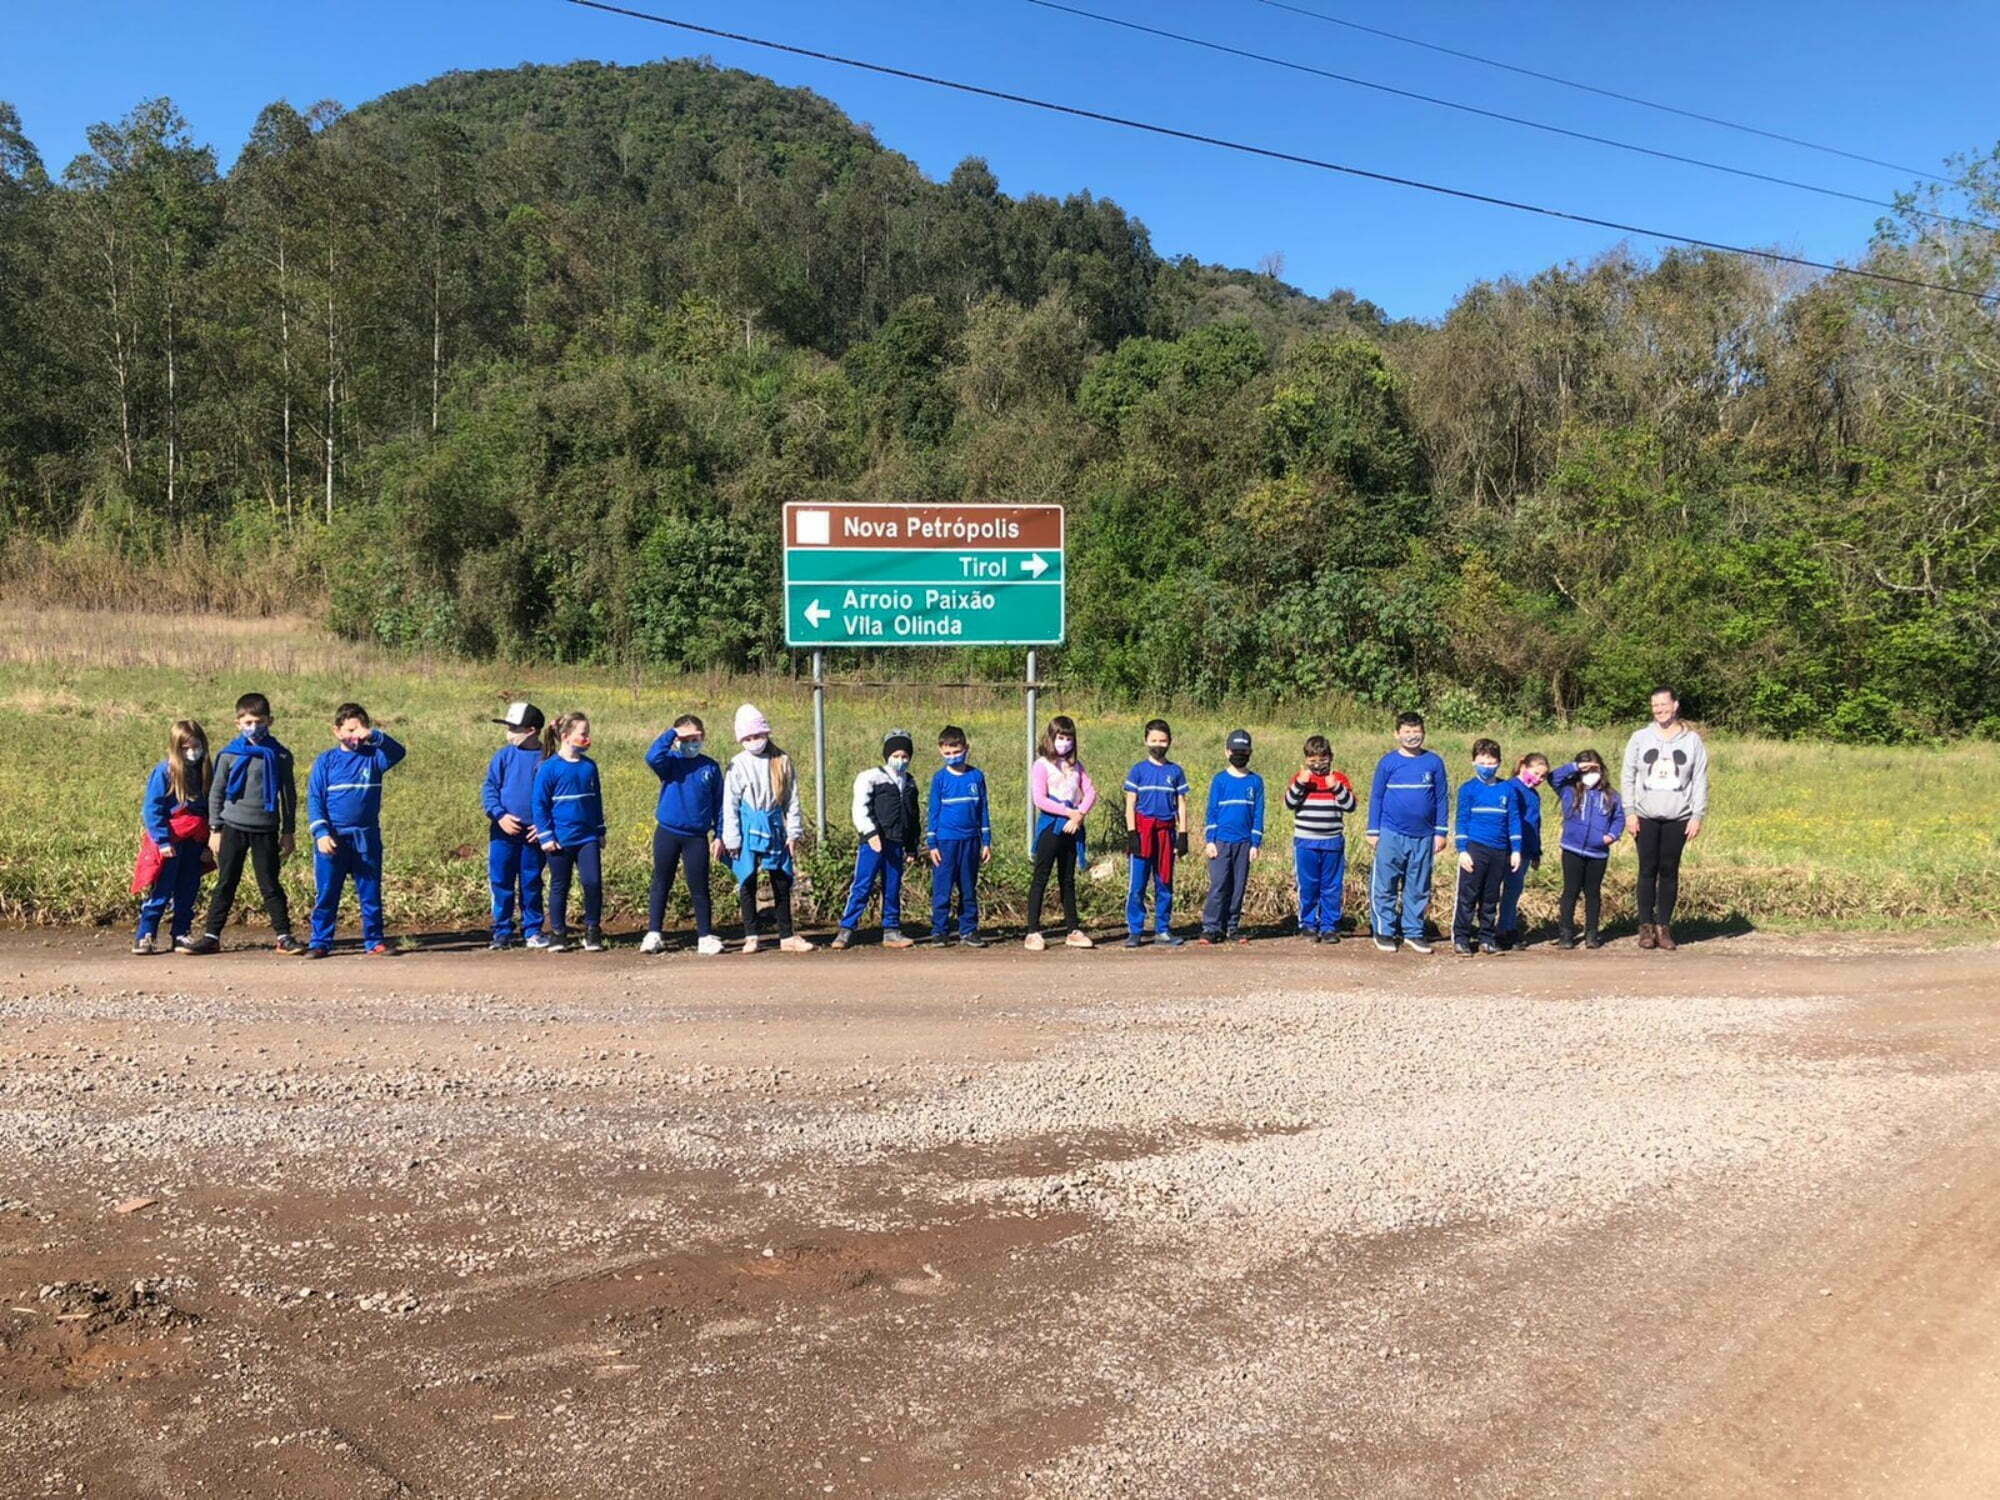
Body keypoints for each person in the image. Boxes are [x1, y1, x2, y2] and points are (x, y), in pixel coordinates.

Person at [187, 692, 300, 954]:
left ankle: (284, 936)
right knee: (226, 881)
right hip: (232, 826)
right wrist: (214, 828)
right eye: (248, 722)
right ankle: (211, 936)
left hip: (266, 827)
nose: (254, 727)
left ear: (270, 721)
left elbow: (288, 796)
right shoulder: (229, 754)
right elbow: (216, 792)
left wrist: (288, 832)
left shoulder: (280, 755)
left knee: (270, 884)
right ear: (237, 723)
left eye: (259, 721)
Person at [303, 702, 408, 958]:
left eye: (360, 729)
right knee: (327, 892)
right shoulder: (326, 761)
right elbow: (315, 799)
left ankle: (374, 940)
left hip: (366, 837)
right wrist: (321, 832)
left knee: (370, 892)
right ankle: (320, 941)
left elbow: (398, 752)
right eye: (350, 730)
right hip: (333, 838)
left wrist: (374, 736)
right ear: (337, 731)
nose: (355, 736)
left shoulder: (374, 757)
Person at [1622, 686, 1709, 950]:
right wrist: (1629, 811)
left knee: (1669, 870)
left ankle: (1664, 927)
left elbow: (1700, 779)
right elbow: (1628, 775)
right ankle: (1645, 927)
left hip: (1678, 816)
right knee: (1647, 869)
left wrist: (1697, 814)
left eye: (1663, 704)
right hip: (1645, 815)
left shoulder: (1692, 741)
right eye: (1655, 705)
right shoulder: (1639, 738)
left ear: (1675, 705)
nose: (1659, 710)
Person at [722, 704, 812, 953]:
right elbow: (730, 803)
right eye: (748, 737)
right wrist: (732, 838)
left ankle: (787, 935)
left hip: (774, 825)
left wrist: (793, 832)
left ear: (766, 733)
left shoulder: (782, 761)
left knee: (781, 878)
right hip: (747, 825)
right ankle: (751, 935)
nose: (754, 741)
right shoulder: (737, 764)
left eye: (758, 736)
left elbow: (792, 799)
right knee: (747, 879)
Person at [1366, 712, 1450, 954]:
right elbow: (1377, 796)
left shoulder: (1434, 762)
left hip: (1424, 835)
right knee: (1385, 884)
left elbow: (1442, 798)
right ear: (1397, 734)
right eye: (1407, 731)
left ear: (1423, 733)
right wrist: (1373, 830)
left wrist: (1441, 832)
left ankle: (1413, 931)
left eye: (1416, 731)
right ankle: (1384, 930)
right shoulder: (1388, 762)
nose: (1412, 736)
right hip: (1390, 833)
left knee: (1418, 885)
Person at [642, 714, 726, 956]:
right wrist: (673, 734)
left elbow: (719, 804)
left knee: (699, 885)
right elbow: (652, 756)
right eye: (686, 739)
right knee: (661, 881)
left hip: (696, 837)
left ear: (703, 737)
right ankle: (654, 933)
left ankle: (705, 935)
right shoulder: (669, 762)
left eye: (695, 738)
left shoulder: (710, 767)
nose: (691, 744)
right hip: (667, 832)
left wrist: (719, 834)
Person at [131, 719, 215, 955]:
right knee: (161, 889)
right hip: (171, 839)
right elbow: (152, 809)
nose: (192, 752)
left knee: (188, 888)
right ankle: (146, 934)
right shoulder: (164, 772)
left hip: (195, 839)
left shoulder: (205, 771)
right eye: (186, 748)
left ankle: (181, 933)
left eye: (196, 746)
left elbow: (210, 809)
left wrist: (208, 843)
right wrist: (162, 840)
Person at [832, 729, 921, 951]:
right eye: (896, 755)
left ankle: (891, 930)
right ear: (887, 755)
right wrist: (870, 833)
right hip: (873, 843)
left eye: (904, 756)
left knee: (893, 886)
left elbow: (913, 816)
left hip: (896, 843)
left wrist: (911, 846)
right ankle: (846, 929)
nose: (900, 760)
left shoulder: (910, 783)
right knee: (862, 885)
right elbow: (860, 808)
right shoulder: (871, 777)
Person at [534, 710, 607, 953]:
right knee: (559, 885)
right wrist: (546, 836)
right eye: (582, 733)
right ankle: (558, 933)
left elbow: (596, 800)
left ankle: (593, 929)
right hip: (560, 839)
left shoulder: (589, 766)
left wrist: (600, 830)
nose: (587, 738)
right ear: (565, 736)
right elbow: (539, 804)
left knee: (593, 882)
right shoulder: (549, 768)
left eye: (588, 733)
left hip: (587, 837)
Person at [1024, 715, 1097, 951]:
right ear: (1051, 737)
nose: (1064, 743)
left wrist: (1080, 814)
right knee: (1041, 876)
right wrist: (1068, 812)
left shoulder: (1077, 766)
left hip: (1072, 828)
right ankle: (1033, 931)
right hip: (1051, 826)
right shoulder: (1041, 765)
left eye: (1068, 738)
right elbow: (1040, 799)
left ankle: (1073, 929)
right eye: (1060, 737)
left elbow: (1090, 792)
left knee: (1067, 879)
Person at [483, 701, 548, 951]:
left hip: (534, 834)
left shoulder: (547, 759)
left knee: (531, 882)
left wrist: (544, 826)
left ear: (531, 731)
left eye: (513, 728)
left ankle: (533, 929)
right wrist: (499, 816)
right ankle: (501, 931)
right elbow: (490, 789)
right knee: (501, 880)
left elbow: (554, 796)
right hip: (503, 832)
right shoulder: (503, 756)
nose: (508, 733)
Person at [1549, 749, 1626, 949]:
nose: (1590, 773)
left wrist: (1611, 836)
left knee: (1593, 893)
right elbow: (1553, 777)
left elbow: (1619, 818)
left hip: (1598, 852)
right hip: (1572, 849)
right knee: (1570, 891)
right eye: (1586, 769)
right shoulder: (1569, 790)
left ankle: (1592, 933)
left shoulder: (1611, 796)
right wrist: (1576, 767)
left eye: (1594, 769)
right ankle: (1566, 934)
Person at [1284, 734, 1357, 944]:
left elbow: (1350, 806)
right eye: (1313, 759)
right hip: (1305, 840)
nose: (1318, 764)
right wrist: (1300, 783)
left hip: (1332, 841)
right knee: (1308, 885)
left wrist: (1336, 787)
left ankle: (1329, 926)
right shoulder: (1300, 778)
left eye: (1322, 759)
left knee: (1332, 886)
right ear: (1306, 759)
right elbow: (1289, 803)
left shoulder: (1339, 778)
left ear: (1331, 757)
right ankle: (1308, 924)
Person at [1124, 719, 1191, 948]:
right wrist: (1132, 833)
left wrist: (1183, 835)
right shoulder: (1138, 771)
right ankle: (1135, 930)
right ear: (1145, 741)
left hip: (1165, 833)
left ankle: (1162, 929)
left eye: (1162, 741)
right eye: (1153, 740)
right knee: (1137, 885)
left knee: (1164, 882)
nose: (1158, 745)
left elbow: (1181, 804)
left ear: (1169, 742)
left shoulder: (1176, 771)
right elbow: (1130, 803)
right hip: (1143, 832)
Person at [1451, 738, 1521, 956]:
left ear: (1499, 762)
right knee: (1468, 895)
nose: (1487, 766)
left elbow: (1514, 820)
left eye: (1491, 762)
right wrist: (1462, 850)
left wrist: (1516, 849)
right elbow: (1462, 820)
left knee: (1491, 896)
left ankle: (1487, 938)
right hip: (1475, 848)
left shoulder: (1507, 789)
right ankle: (1461, 938)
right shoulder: (1468, 789)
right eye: (1482, 762)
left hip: (1499, 850)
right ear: (1473, 762)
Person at [925, 725, 992, 947]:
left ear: (966, 748)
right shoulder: (939, 779)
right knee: (942, 888)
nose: (953, 756)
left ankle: (969, 929)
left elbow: (983, 809)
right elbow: (933, 811)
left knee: (968, 887)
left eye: (957, 752)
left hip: (970, 841)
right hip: (945, 841)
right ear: (940, 751)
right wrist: (932, 843)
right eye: (948, 753)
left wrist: (986, 841)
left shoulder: (976, 776)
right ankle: (939, 931)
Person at [1200, 729, 1264, 945]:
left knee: (1238, 887)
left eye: (1243, 752)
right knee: (1219, 884)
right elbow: (1212, 811)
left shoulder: (1255, 782)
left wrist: (1255, 843)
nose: (1239, 755)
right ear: (1227, 752)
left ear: (1250, 752)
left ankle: (1232, 926)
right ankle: (1211, 927)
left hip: (1244, 843)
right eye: (1235, 751)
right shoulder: (1220, 780)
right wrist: (1210, 840)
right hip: (1220, 842)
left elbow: (1258, 814)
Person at [1497, 752, 1550, 949]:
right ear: (1523, 768)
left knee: (1514, 890)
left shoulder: (1533, 794)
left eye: (1543, 776)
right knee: (1504, 890)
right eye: (1536, 773)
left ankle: (1508, 928)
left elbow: (1535, 824)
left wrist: (1536, 851)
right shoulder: (1510, 788)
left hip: (1527, 849)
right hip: (1509, 848)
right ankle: (1501, 930)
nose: (1539, 779)